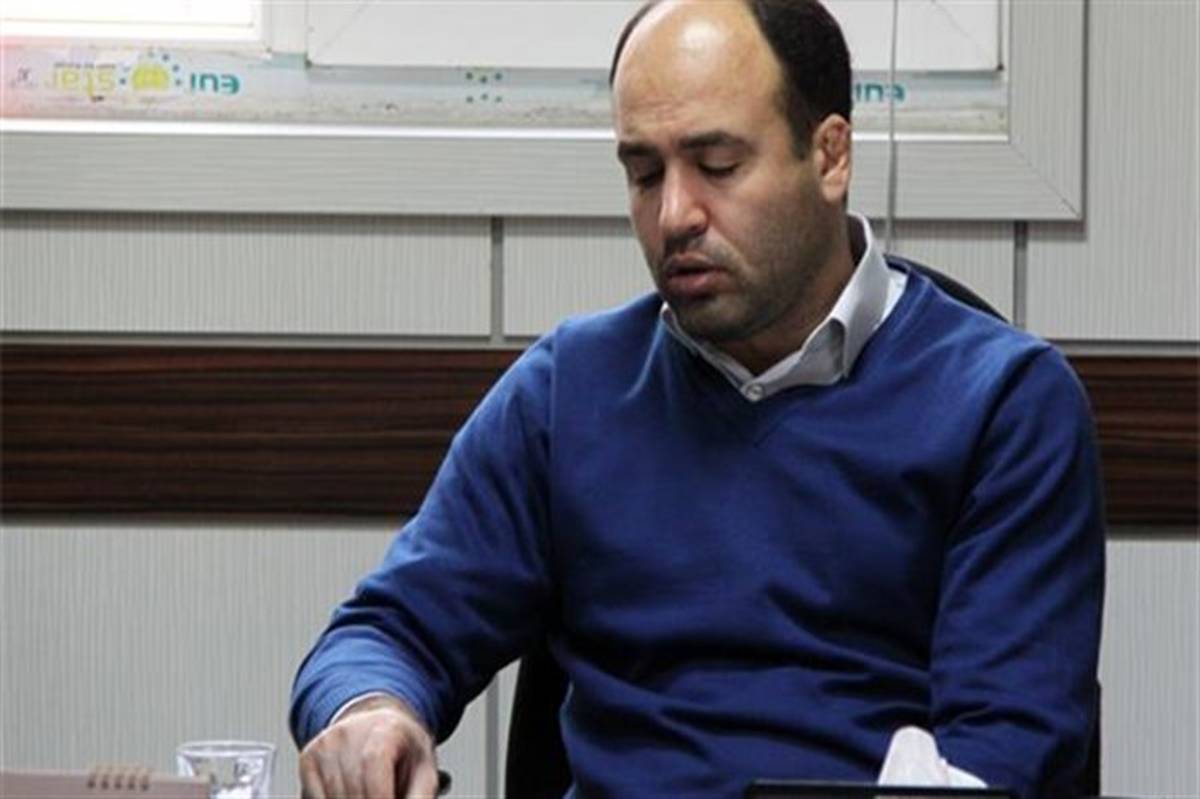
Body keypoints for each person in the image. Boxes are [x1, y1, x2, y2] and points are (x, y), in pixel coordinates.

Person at [290, 1, 1105, 797]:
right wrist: (372, 710)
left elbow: (1003, 756)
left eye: (717, 165)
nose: (674, 214)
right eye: (644, 173)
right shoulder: (570, 388)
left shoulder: (1004, 404)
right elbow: (387, 630)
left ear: (829, 157)